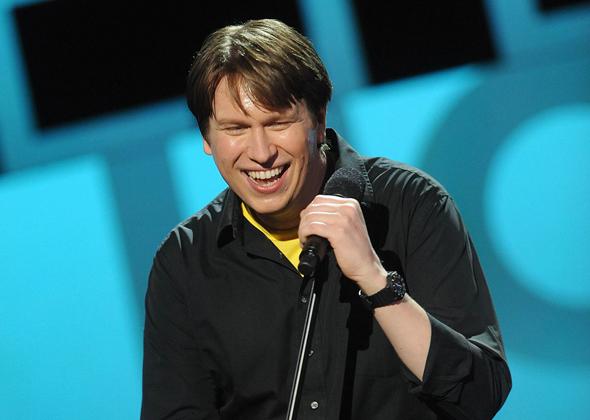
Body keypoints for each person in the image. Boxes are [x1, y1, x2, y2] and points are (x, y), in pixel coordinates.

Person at [141, 19, 511, 420]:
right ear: (206, 138)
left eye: (278, 123)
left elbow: (479, 397)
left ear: (318, 119)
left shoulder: (411, 203)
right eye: (236, 129)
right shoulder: (184, 262)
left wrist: (375, 279)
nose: (261, 152)